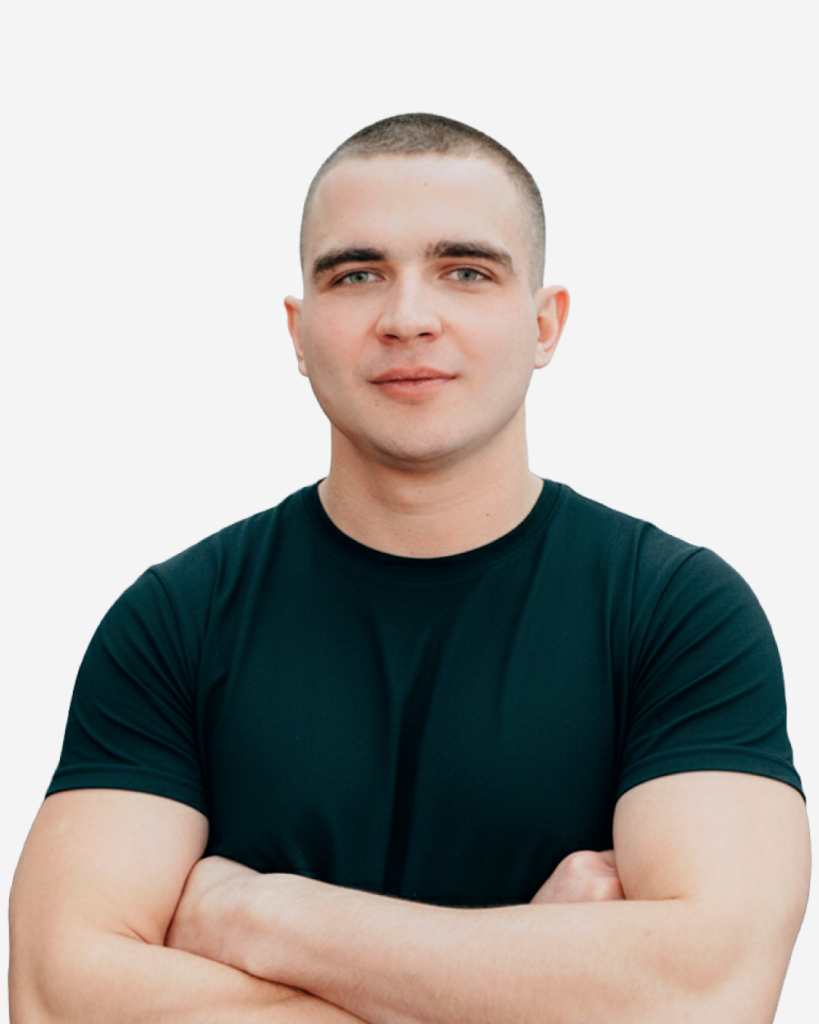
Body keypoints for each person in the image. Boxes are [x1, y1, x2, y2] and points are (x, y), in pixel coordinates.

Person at [9, 113, 810, 1023]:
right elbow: (57, 997)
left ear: (544, 323)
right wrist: (534, 990)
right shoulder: (174, 621)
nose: (407, 318)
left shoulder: (676, 614)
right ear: (299, 332)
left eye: (465, 271)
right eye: (356, 275)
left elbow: (705, 996)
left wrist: (256, 916)